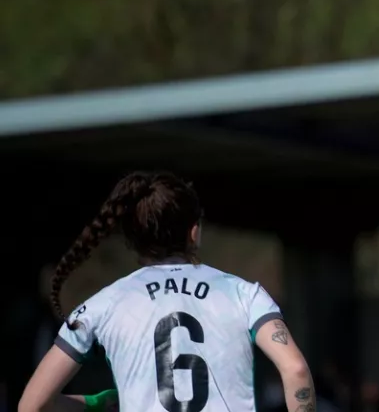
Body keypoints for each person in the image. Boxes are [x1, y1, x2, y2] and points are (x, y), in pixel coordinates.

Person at [18, 171, 315, 412]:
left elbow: (32, 405)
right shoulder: (244, 294)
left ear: (131, 240)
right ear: (194, 232)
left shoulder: (101, 306)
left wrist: (98, 402)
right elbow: (296, 370)